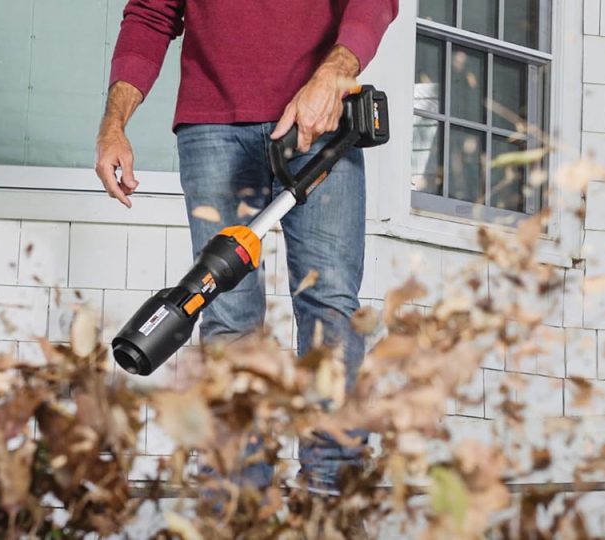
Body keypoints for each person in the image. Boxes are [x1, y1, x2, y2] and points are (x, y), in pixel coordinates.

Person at [95, 0, 398, 495]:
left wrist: (334, 75)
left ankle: (329, 494)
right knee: (226, 314)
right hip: (212, 125)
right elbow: (150, 14)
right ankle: (237, 499)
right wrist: (114, 123)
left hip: (318, 118)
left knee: (330, 306)